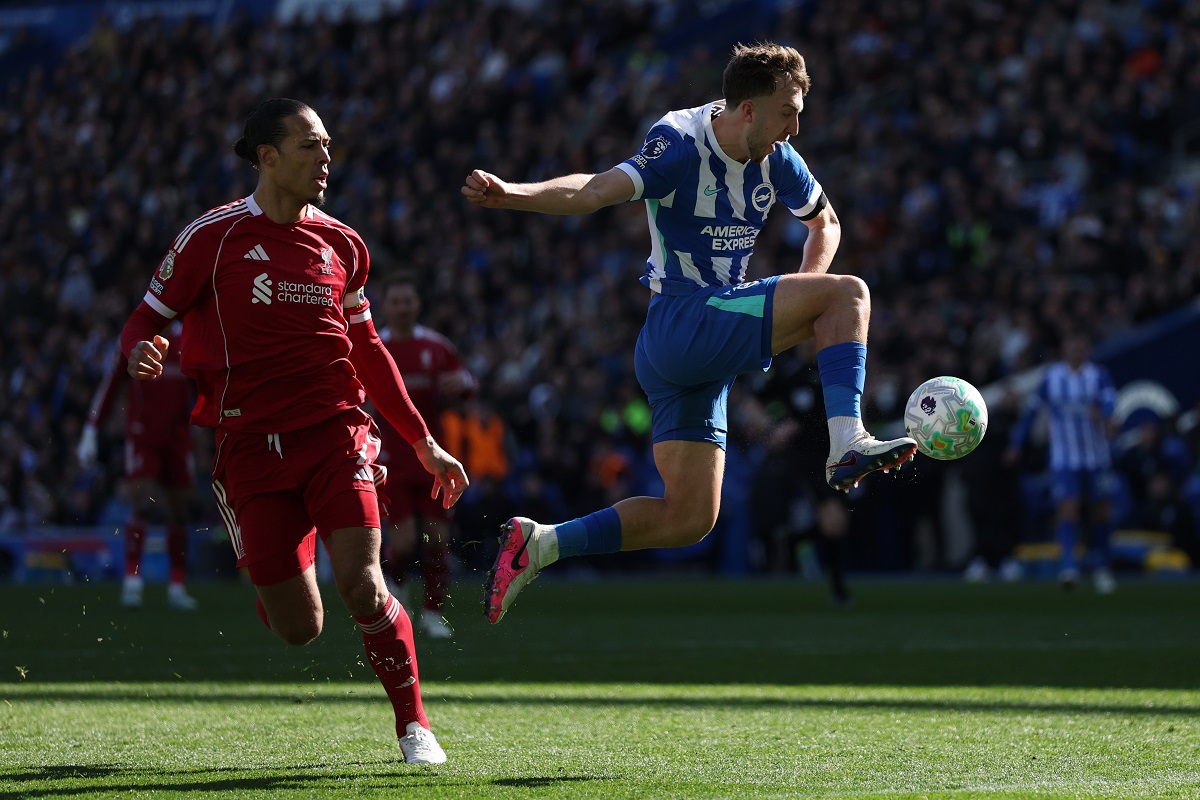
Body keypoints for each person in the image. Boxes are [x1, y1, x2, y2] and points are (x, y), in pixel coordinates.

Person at [462, 42, 916, 624]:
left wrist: (803, 291)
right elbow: (596, 190)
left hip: (699, 353)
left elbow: (824, 221)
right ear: (748, 109)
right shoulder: (678, 143)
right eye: (788, 112)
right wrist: (512, 194)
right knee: (852, 294)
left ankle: (541, 543)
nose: (796, 127)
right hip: (683, 319)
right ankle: (848, 441)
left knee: (689, 517)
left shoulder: (775, 157)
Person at [121, 98, 468, 764]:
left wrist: (423, 442)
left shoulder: (344, 244)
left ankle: (414, 726)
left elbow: (369, 351)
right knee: (299, 628)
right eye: (310, 146)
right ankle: (285, 562)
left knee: (364, 584)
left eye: (329, 145)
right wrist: (138, 352)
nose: (325, 157)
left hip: (337, 435)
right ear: (268, 157)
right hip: (247, 448)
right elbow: (143, 320)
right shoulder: (211, 238)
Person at [374, 271, 476, 639]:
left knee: (437, 539)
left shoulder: (437, 347)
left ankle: (432, 613)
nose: (402, 308)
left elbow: (467, 384)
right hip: (390, 461)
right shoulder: (375, 346)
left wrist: (462, 383)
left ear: (418, 304)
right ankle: (395, 586)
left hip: (435, 458)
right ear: (384, 306)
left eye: (408, 301)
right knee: (401, 542)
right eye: (396, 302)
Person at [78, 320, 199, 610]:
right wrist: (91, 429)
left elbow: (205, 387)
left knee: (179, 510)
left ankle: (177, 585)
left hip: (178, 436)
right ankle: (132, 580)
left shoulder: (189, 341)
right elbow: (111, 383)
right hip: (143, 435)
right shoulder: (136, 338)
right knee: (143, 501)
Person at [1005, 332, 1118, 593]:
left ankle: (1101, 566)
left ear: (1087, 348)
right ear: (1065, 349)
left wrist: (1106, 416)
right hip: (1064, 458)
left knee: (1101, 512)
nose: (1077, 350)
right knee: (1068, 509)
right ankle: (1069, 566)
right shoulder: (1052, 377)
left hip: (1096, 457)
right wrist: (1016, 444)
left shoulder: (1098, 375)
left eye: (1081, 345)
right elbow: (1032, 410)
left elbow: (1110, 401)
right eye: (1072, 345)